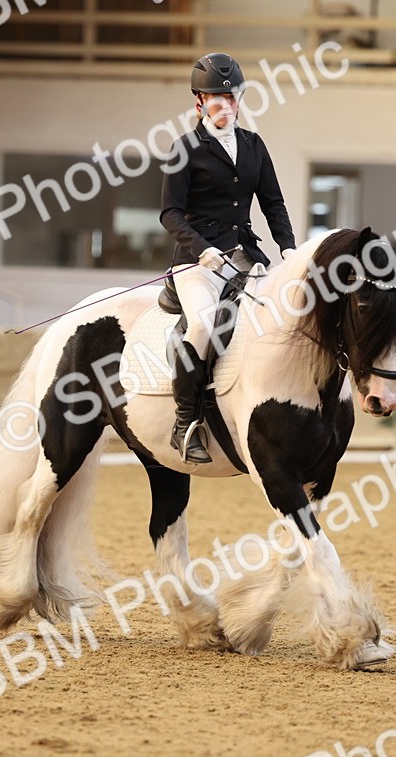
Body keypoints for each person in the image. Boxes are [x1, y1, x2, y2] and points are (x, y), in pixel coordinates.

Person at [159, 52, 297, 463]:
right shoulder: (184, 148)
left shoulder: (254, 145)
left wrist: (287, 247)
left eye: (232, 97)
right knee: (202, 324)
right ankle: (185, 423)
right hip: (196, 262)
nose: (226, 105)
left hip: (246, 258)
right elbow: (170, 212)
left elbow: (273, 203)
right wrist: (202, 250)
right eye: (216, 98)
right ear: (199, 102)